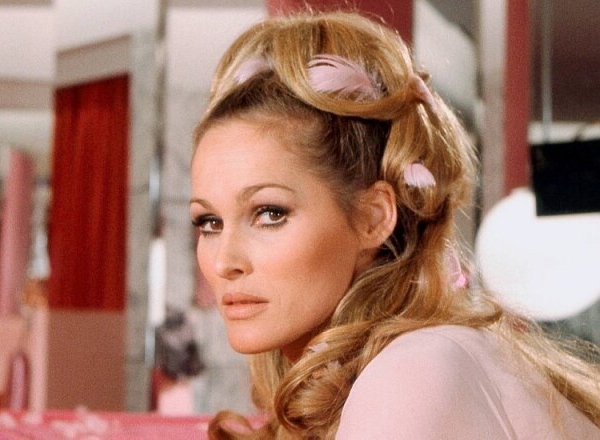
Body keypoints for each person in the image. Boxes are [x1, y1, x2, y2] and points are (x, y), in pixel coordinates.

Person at [188, 10, 600, 439]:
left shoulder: (410, 372)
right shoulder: (412, 362)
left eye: (270, 213)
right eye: (209, 222)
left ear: (373, 217)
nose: (224, 262)